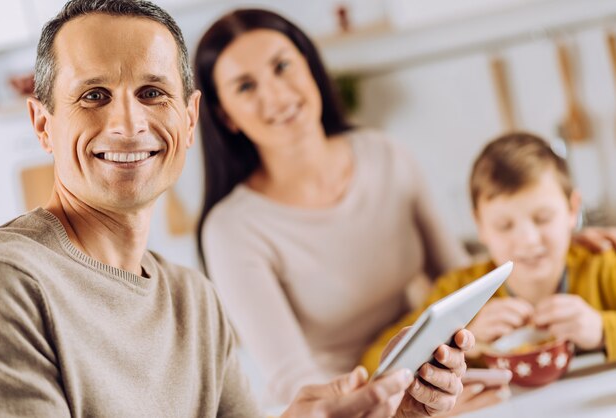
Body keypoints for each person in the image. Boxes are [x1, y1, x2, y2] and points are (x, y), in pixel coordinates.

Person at [0, 1, 474, 417]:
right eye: (94, 96)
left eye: (153, 93)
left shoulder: (193, 301)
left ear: (190, 117)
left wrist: (391, 407)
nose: (128, 123)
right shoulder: (9, 283)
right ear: (42, 124)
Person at [194, 8, 616, 410]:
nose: (275, 93)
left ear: (309, 67)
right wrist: (398, 405)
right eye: (245, 86)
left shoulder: (384, 155)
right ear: (224, 115)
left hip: (429, 377)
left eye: (283, 66)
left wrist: (551, 245)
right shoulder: (232, 229)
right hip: (352, 403)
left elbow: (460, 284)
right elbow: (295, 382)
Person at [361, 132, 616, 375]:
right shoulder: (458, 292)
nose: (528, 241)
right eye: (504, 226)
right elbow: (374, 364)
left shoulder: (603, 266)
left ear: (573, 209)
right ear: (480, 225)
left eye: (543, 218)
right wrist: (457, 339)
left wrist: (603, 329)